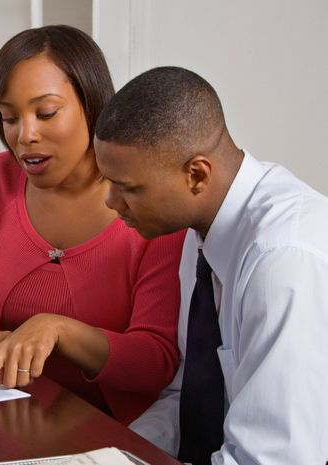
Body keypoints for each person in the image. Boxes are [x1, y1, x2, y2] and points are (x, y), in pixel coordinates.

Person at [0, 25, 185, 426]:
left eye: (46, 112)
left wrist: (58, 330)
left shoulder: (147, 200)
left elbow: (154, 361)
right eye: (9, 117)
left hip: (112, 432)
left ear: (92, 104)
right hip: (7, 414)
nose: (24, 135)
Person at [94, 66, 328, 465]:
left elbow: (275, 458)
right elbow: (190, 396)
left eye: (129, 188)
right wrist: (118, 455)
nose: (111, 202)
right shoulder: (202, 233)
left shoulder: (281, 259)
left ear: (196, 174)